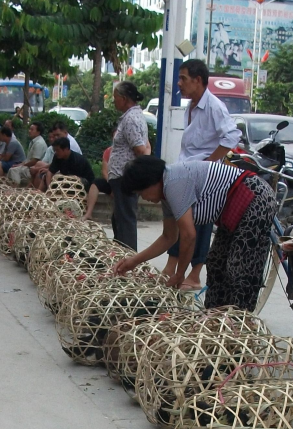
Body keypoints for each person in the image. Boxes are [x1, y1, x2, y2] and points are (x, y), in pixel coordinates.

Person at [114, 155, 275, 310]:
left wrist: (180, 273)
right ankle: (214, 317)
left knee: (239, 266)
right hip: (232, 210)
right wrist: (134, 261)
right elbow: (169, 237)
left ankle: (238, 320)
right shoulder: (166, 194)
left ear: (150, 182)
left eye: (141, 192)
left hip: (254, 197)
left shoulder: (173, 183)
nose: (143, 197)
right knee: (216, 263)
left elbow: (188, 235)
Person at [165, 58, 241, 289]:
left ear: (198, 80)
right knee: (180, 220)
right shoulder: (191, 106)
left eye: (183, 79)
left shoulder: (214, 106)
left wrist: (209, 162)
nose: (179, 84)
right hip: (185, 170)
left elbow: (231, 136)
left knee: (201, 222)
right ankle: (173, 264)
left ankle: (195, 274)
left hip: (204, 175)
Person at [106, 81, 150, 250]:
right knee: (119, 219)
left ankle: (128, 257)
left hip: (125, 177)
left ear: (124, 99)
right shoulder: (134, 116)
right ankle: (120, 254)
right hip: (121, 176)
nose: (114, 101)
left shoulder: (131, 119)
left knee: (125, 220)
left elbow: (141, 149)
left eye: (115, 98)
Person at [7, 121, 48, 186]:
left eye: (32, 130)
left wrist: (22, 165)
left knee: (13, 170)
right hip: (29, 167)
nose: (29, 131)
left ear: (38, 132)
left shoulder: (39, 143)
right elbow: (29, 159)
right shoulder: (34, 141)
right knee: (13, 168)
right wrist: (20, 164)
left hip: (33, 169)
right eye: (29, 129)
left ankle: (15, 188)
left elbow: (34, 161)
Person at [83, 143, 113, 220]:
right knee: (96, 183)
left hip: (124, 182)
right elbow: (104, 172)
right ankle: (88, 213)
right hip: (111, 181)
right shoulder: (108, 151)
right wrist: (113, 184)